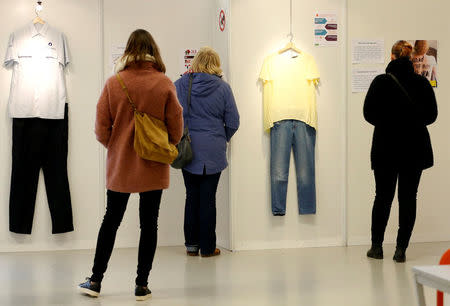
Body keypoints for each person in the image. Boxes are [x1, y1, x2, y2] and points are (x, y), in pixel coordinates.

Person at [77, 29, 183, 300]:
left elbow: (101, 128)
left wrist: (117, 146)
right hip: (154, 162)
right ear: (153, 51)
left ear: (128, 50)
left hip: (121, 164)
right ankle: (142, 285)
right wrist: (164, 143)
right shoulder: (164, 83)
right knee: (149, 224)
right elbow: (177, 127)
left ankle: (96, 280)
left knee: (111, 220)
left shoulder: (114, 83)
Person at [364, 40, 437, 263]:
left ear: (392, 57)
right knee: (408, 198)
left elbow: (368, 114)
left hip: (385, 148)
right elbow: (431, 116)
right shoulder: (422, 83)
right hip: (414, 149)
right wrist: (411, 121)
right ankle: (401, 250)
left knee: (382, 197)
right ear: (410, 58)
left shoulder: (380, 82)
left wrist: (388, 122)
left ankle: (376, 248)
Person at [174, 47, 240, 257]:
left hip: (188, 149)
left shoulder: (181, 84)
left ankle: (191, 245)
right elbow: (233, 121)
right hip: (213, 149)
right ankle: (208, 247)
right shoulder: (223, 88)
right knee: (208, 198)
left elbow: (171, 115)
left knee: (191, 196)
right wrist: (222, 137)